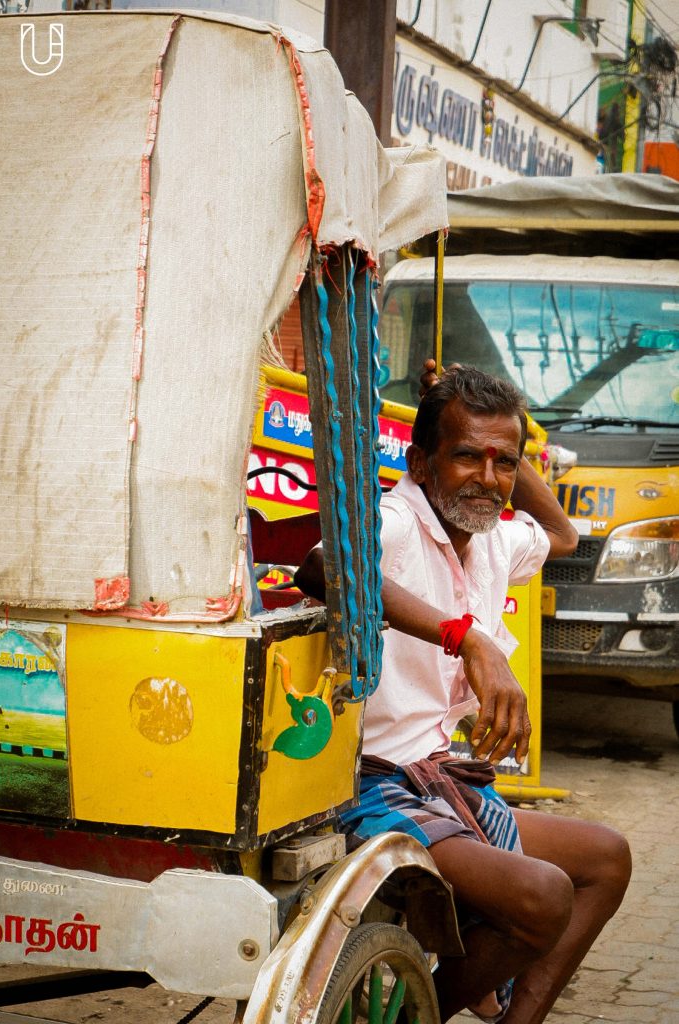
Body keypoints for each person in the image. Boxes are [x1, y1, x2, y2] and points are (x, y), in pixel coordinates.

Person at [295, 363, 631, 1024]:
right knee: (541, 895)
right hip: (370, 786)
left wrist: (515, 453)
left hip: (442, 781)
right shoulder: (394, 522)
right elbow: (323, 567)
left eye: (502, 464)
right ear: (420, 463)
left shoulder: (494, 538)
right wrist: (466, 639)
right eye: (466, 457)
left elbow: (561, 535)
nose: (487, 478)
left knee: (606, 860)